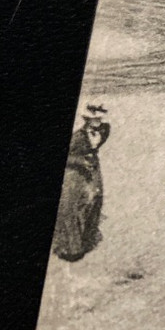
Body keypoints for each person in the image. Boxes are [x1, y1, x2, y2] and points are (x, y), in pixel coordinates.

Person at [52, 106, 111, 261]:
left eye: (100, 118)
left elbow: (97, 145)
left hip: (93, 168)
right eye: (95, 118)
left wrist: (90, 159)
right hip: (75, 173)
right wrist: (81, 161)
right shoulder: (77, 137)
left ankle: (87, 238)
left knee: (96, 200)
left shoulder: (105, 130)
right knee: (71, 206)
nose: (98, 121)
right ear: (88, 119)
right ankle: (72, 248)